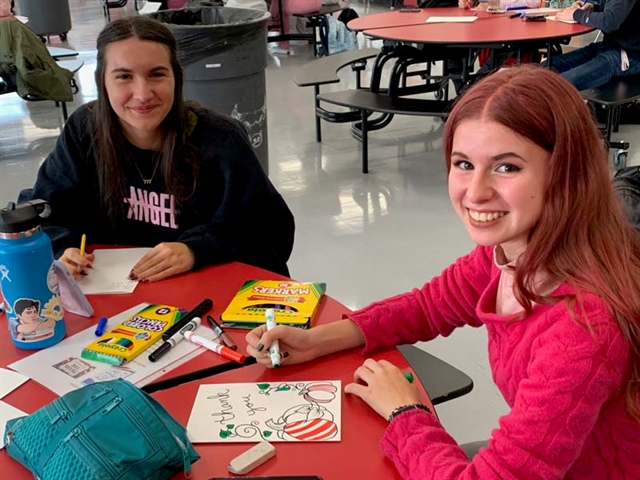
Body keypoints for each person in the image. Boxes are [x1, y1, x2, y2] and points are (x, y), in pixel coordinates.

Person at [246, 66, 640, 478]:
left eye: (507, 167)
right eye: (464, 163)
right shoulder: (512, 251)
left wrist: (406, 411)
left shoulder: (585, 323)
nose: (476, 192)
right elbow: (429, 306)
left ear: (565, 172)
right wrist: (315, 341)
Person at [22, 16, 295, 282]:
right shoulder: (84, 130)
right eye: (124, 76)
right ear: (102, 82)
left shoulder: (220, 140)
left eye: (156, 74)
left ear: (178, 77)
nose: (142, 94)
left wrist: (196, 249)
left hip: (203, 296)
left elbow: (267, 231)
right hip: (109, 296)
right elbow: (46, 210)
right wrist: (61, 249)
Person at [550, 0, 640, 90]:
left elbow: (609, 22)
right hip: (609, 45)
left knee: (557, 85)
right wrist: (593, 7)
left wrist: (576, 14)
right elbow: (617, 11)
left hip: (629, 54)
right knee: (542, 70)